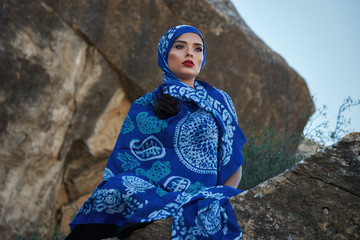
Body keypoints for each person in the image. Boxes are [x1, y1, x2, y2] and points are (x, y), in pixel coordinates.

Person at [66, 25, 247, 240]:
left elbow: (233, 162)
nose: (190, 53)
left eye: (198, 49)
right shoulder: (145, 104)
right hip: (149, 193)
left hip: (200, 195)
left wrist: (217, 198)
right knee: (115, 188)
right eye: (180, 46)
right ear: (165, 53)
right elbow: (125, 161)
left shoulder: (220, 101)